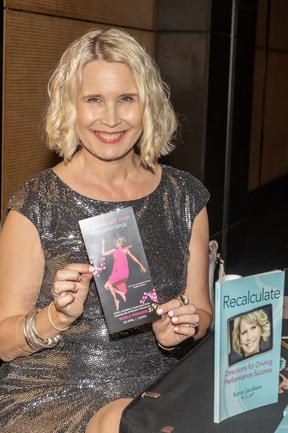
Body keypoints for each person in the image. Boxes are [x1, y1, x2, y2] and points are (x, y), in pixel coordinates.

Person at [0, 28, 212, 433]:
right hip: (57, 394)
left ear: (147, 104)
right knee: (130, 422)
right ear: (70, 107)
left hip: (163, 384)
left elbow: (202, 314)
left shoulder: (185, 197)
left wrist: (180, 330)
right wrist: (55, 318)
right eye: (94, 99)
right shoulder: (37, 204)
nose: (111, 118)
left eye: (126, 99)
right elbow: (4, 341)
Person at [102, 237, 146, 310]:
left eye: (117, 242)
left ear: (121, 243)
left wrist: (141, 265)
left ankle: (116, 300)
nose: (115, 244)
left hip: (123, 272)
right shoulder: (113, 250)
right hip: (116, 272)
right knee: (106, 287)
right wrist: (103, 243)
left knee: (109, 284)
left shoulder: (125, 250)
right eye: (115, 242)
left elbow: (133, 257)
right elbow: (103, 254)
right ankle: (120, 293)